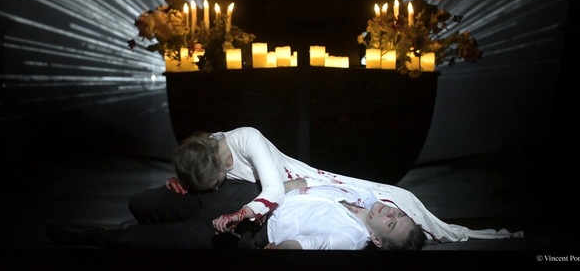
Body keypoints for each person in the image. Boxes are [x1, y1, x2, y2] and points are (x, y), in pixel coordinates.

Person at [47, 127, 522, 248]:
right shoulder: (360, 201)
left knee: (161, 239)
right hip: (240, 202)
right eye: (395, 212)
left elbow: (282, 204)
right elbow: (295, 186)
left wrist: (242, 218)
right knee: (141, 203)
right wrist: (188, 183)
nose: (391, 211)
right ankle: (127, 226)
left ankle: (100, 238)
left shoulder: (352, 234)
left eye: (393, 221)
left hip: (252, 217)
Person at [242, 181, 426, 250]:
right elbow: (313, 182)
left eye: (391, 224)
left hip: (256, 228)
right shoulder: (366, 197)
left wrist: (282, 249)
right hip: (264, 195)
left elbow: (310, 245)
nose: (391, 212)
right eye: (399, 214)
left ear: (377, 239)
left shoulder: (351, 238)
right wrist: (274, 191)